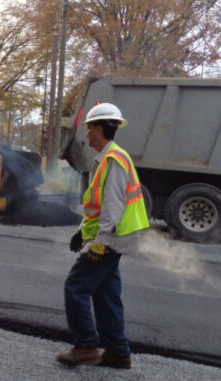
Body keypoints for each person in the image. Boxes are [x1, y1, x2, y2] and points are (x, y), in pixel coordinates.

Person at [57, 103, 149, 369]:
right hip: (109, 237)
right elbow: (98, 206)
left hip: (110, 239)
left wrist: (100, 243)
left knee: (75, 288)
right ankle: (118, 352)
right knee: (106, 295)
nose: (87, 135)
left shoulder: (114, 160)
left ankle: (85, 345)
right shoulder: (108, 158)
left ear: (99, 129)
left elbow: (113, 207)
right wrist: (81, 232)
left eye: (89, 128)